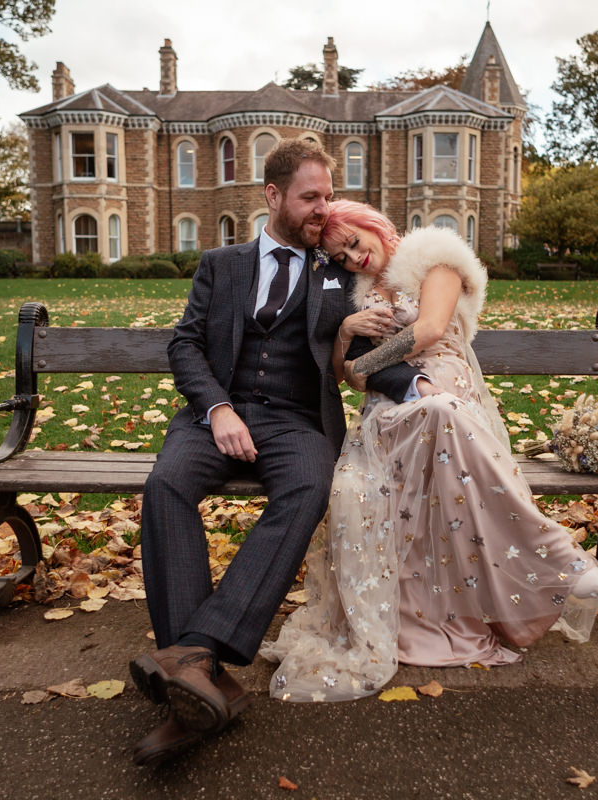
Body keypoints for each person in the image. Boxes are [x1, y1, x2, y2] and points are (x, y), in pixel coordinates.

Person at [129, 141, 419, 764]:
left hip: (296, 420)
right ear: (273, 197)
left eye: (328, 196)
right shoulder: (222, 263)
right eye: (310, 197)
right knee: (166, 485)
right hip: (218, 415)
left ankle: (191, 657)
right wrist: (218, 409)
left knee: (311, 487)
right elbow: (185, 347)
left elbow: (381, 349)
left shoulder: (343, 272)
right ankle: (201, 672)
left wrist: (410, 375)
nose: (323, 208)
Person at [260, 201, 598, 702]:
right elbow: (345, 374)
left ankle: (556, 558)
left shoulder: (434, 256)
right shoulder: (357, 298)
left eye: (355, 242)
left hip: (446, 385)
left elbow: (426, 331)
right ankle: (429, 613)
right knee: (386, 461)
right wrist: (344, 334)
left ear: (373, 226)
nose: (353, 258)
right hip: (387, 413)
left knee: (442, 411)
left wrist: (368, 364)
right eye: (339, 256)